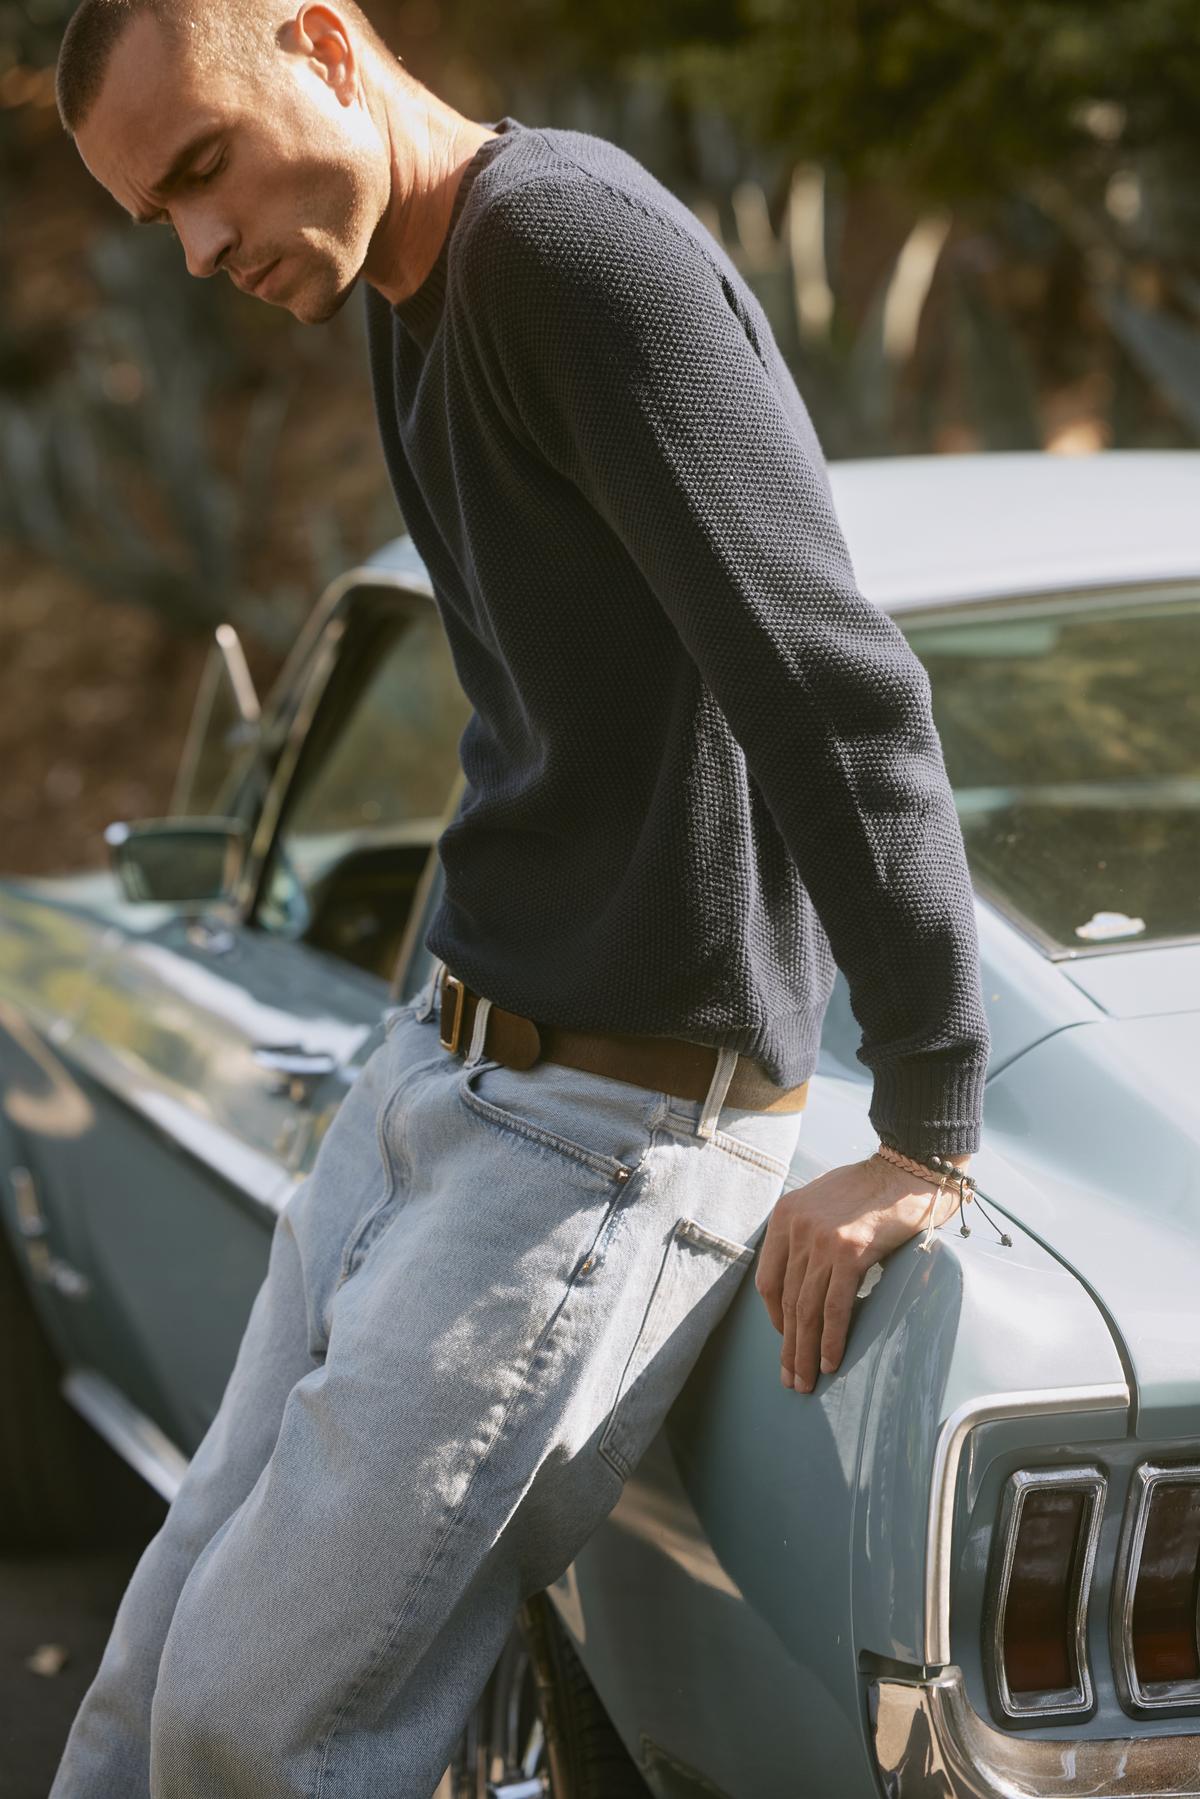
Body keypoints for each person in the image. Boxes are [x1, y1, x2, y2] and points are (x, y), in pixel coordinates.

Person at [50, 3, 991, 1794]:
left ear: (323, 44)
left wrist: (931, 1117)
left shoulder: (565, 249)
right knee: (149, 1683)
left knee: (253, 1731)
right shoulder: (414, 292)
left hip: (604, 1129)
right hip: (441, 1079)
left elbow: (831, 685)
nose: (197, 246)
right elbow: (550, 724)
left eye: (200, 169)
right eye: (150, 215)